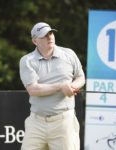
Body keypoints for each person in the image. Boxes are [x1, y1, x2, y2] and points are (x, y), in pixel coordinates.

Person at [19, 22, 85, 150]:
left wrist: (72, 87)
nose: (49, 37)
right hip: (36, 122)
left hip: (64, 121)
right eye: (44, 35)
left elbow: (80, 77)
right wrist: (61, 86)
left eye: (50, 33)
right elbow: (33, 89)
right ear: (35, 41)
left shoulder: (69, 54)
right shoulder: (27, 60)